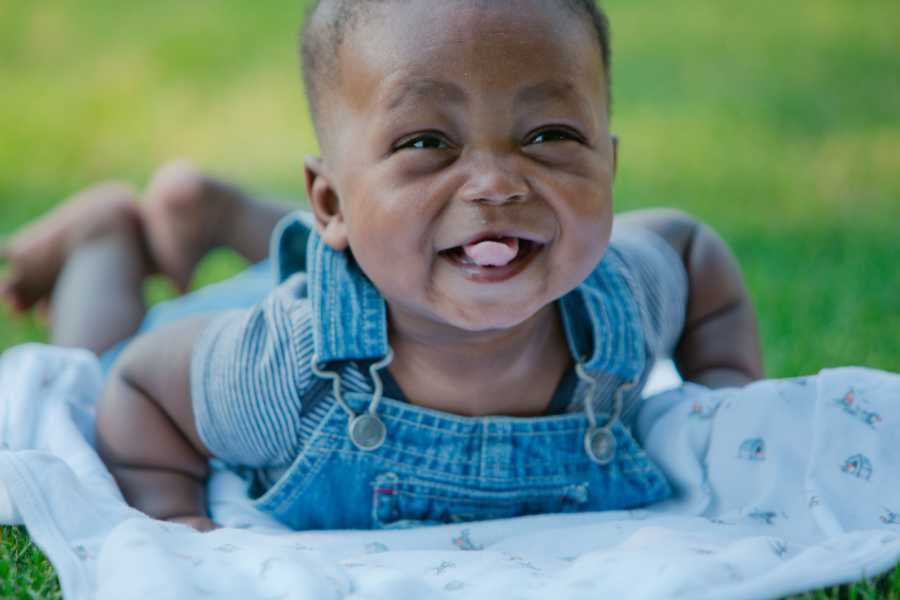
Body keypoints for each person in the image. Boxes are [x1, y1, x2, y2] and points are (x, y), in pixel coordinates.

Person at [0, 0, 763, 532]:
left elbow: (694, 251)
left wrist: (728, 401)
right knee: (86, 371)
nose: (498, 181)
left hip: (389, 256)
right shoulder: (279, 368)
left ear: (610, 166)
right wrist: (173, 520)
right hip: (310, 309)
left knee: (425, 230)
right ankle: (103, 235)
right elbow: (141, 386)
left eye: (549, 134)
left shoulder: (627, 295)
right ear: (328, 200)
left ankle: (221, 212)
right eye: (426, 141)